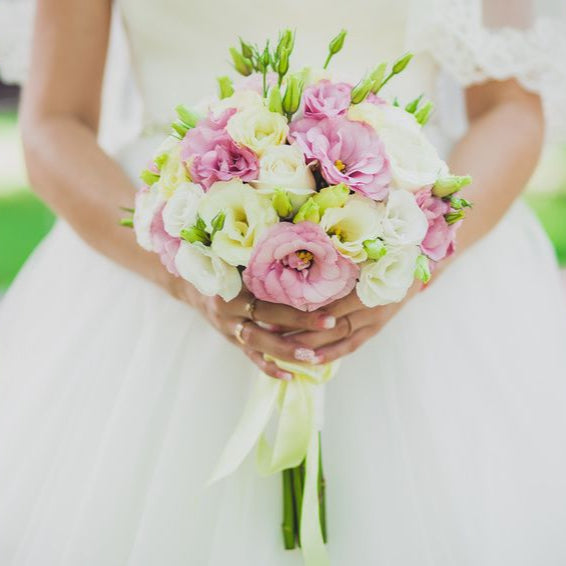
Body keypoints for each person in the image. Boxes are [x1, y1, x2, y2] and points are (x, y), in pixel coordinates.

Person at [1, 0, 566, 564]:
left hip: (412, 238)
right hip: (165, 251)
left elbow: (510, 110)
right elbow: (54, 123)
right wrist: (184, 275)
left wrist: (414, 261)